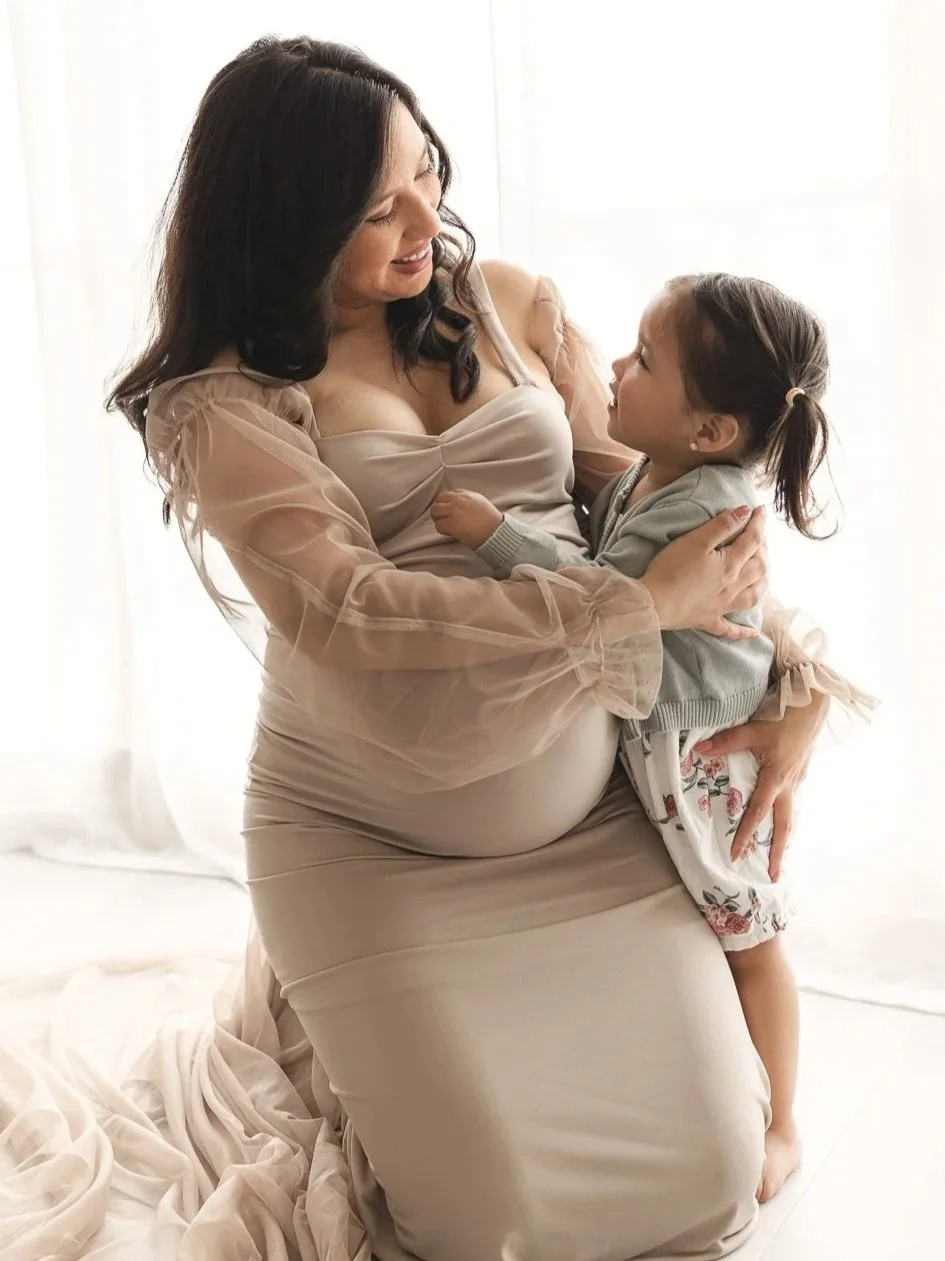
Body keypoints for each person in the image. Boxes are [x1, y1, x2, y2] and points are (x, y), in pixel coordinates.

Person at [109, 35, 865, 1261]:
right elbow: (349, 609)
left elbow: (660, 512)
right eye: (377, 207)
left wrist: (796, 676)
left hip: (592, 826)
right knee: (485, 1226)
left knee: (715, 1180)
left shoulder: (508, 304)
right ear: (288, 222)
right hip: (374, 839)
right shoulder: (225, 402)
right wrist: (626, 614)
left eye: (429, 170)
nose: (427, 217)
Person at [433, 272, 876, 1204]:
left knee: (750, 939)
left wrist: (495, 535)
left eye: (643, 357)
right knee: (710, 942)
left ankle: (785, 1121)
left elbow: (599, 589)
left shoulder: (699, 505)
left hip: (705, 761)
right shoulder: (653, 471)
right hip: (660, 744)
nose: (618, 367)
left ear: (711, 429)